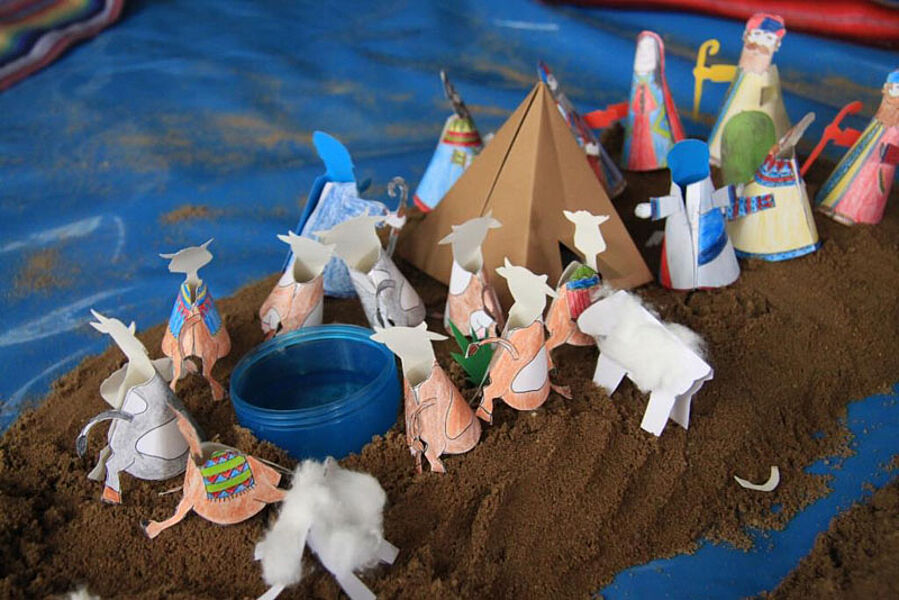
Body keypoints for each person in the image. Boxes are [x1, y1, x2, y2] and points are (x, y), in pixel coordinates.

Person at [816, 69, 899, 225]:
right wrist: (843, 137)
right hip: (859, 159)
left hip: (879, 165)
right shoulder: (880, 119)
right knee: (847, 177)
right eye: (895, 90)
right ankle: (831, 203)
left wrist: (886, 155)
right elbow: (864, 140)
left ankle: (853, 213)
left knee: (867, 186)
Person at [707, 14, 790, 168]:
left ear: (776, 44)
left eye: (768, 38)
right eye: (757, 34)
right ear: (747, 36)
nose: (760, 43)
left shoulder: (768, 79)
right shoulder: (742, 72)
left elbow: (772, 106)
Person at [623, 31, 685, 171]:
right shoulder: (638, 83)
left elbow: (664, 110)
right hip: (637, 130)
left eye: (649, 49)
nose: (644, 54)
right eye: (642, 49)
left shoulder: (657, 87)